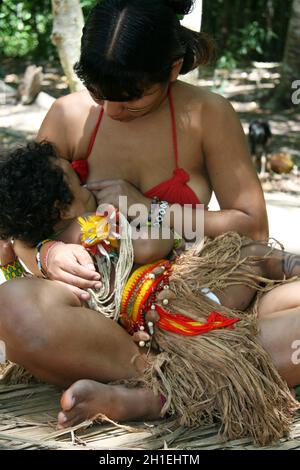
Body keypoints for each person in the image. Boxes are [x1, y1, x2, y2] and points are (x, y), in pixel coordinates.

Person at [0, 141, 300, 445]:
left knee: (252, 280)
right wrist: (154, 223)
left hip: (180, 317)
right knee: (255, 259)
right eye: (77, 180)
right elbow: (147, 246)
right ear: (62, 208)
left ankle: (150, 396)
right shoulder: (93, 226)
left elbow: (15, 249)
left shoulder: (49, 243)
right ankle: (150, 398)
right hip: (180, 311)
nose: (83, 175)